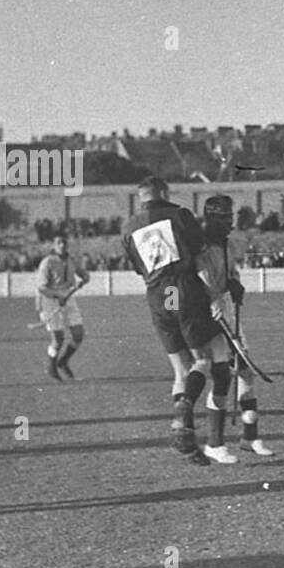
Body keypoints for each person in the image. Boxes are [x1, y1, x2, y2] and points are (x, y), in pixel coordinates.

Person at [121, 175, 225, 466]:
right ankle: (186, 405)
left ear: (141, 197)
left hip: (157, 295)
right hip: (183, 288)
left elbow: (137, 269)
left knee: (180, 370)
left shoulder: (128, 227)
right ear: (164, 192)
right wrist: (214, 294)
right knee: (202, 360)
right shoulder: (179, 214)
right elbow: (201, 257)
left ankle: (188, 444)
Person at [194, 193, 275, 461]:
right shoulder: (200, 244)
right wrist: (214, 298)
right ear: (213, 216)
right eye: (226, 216)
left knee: (245, 372)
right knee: (221, 377)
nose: (230, 221)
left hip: (226, 311)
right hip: (207, 315)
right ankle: (214, 443)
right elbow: (201, 277)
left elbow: (230, 274)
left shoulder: (225, 244)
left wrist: (235, 284)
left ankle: (250, 438)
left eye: (231, 215)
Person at [35, 233, 90, 381]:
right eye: (59, 243)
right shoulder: (47, 262)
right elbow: (42, 287)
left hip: (69, 298)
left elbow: (84, 275)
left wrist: (84, 279)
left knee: (78, 334)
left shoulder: (71, 260)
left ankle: (63, 361)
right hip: (50, 300)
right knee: (58, 339)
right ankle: (51, 367)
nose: (62, 245)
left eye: (64, 242)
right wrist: (57, 296)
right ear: (54, 245)